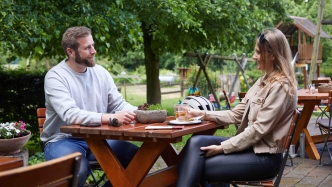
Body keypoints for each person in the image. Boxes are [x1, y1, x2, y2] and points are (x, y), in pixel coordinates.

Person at [176, 28, 298, 187]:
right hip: (250, 148)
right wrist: (200, 113)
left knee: (194, 165)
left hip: (265, 158)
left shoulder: (281, 86)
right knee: (195, 142)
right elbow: (236, 114)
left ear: (272, 54)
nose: (254, 56)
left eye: (258, 52)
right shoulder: (263, 81)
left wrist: (222, 148)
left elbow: (258, 130)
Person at [41, 26, 138, 187]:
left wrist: (141, 113)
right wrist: (111, 118)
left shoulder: (101, 73)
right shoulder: (55, 77)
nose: (94, 51)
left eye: (92, 45)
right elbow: (71, 115)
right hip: (63, 140)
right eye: (87, 47)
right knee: (77, 170)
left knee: (137, 159)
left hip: (99, 139)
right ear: (71, 52)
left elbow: (118, 104)